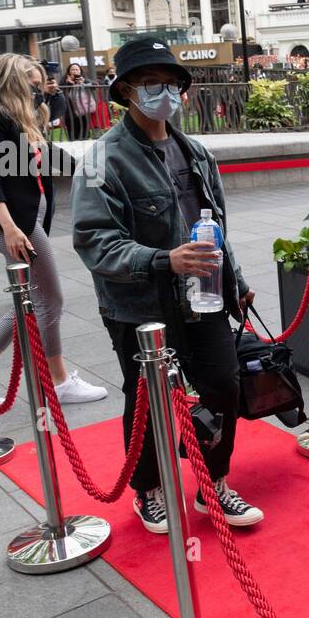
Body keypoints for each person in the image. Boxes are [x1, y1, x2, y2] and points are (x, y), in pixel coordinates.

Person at [72, 36, 262, 533]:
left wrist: (236, 280)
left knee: (222, 385)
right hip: (141, 309)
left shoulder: (196, 152)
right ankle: (149, 489)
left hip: (207, 299)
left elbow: (214, 228)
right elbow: (94, 241)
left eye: (172, 82)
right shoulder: (102, 158)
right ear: (127, 91)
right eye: (150, 83)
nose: (165, 92)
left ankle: (213, 481)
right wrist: (163, 260)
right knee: (148, 400)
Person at [0, 54, 107, 408]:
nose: (40, 88)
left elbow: (54, 158)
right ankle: (57, 381)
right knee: (49, 299)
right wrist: (12, 228)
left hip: (28, 224)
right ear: (14, 81)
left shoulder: (20, 118)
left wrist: (97, 171)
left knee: (29, 302)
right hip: (18, 228)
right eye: (33, 82)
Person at [62, 62, 96, 141]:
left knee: (84, 132)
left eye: (77, 69)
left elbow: (95, 84)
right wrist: (68, 84)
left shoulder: (84, 79)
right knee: (73, 133)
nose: (75, 71)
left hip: (83, 111)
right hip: (70, 112)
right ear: (68, 71)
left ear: (80, 71)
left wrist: (84, 82)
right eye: (72, 69)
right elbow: (61, 92)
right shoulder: (64, 80)